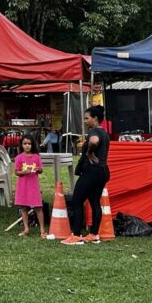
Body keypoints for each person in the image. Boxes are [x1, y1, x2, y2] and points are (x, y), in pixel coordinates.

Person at [62, 105, 110, 245]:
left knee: (77, 201)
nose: (84, 121)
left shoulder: (94, 131)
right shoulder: (105, 133)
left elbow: (94, 141)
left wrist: (89, 152)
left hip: (91, 172)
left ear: (95, 119)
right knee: (95, 202)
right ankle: (94, 234)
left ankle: (76, 235)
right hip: (103, 171)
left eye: (86, 118)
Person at [14, 135, 46, 237]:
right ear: (21, 145)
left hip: (33, 186)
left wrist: (38, 170)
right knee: (24, 207)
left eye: (29, 144)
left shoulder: (36, 157)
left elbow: (41, 169)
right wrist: (24, 172)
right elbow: (16, 172)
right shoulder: (19, 157)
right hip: (23, 186)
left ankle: (42, 230)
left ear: (32, 145)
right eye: (25, 144)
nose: (27, 146)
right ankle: (26, 229)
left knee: (38, 207)